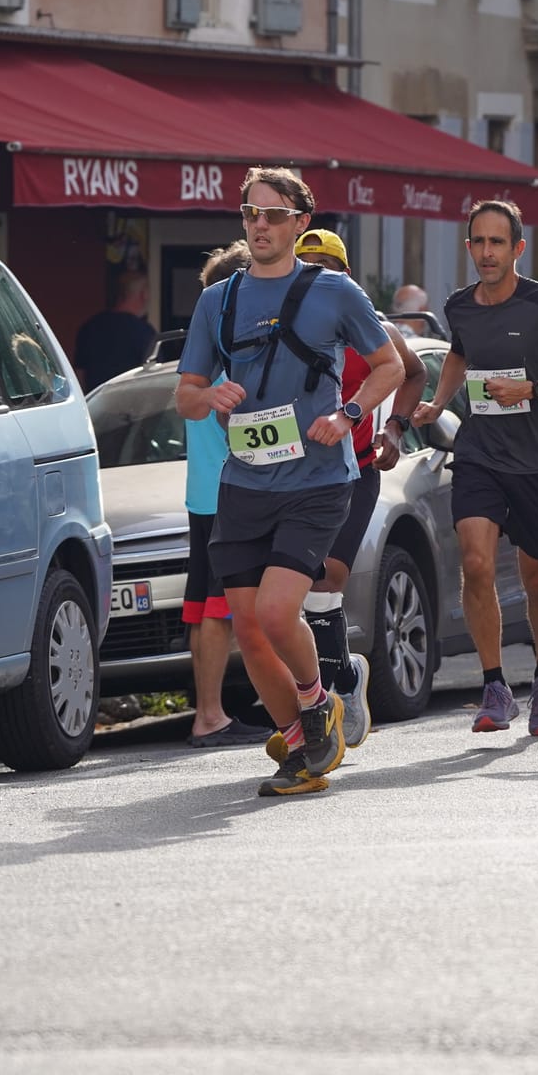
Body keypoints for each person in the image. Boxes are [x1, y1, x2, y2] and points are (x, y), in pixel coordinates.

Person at [175, 166, 405, 797]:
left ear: (302, 222)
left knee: (278, 613)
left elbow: (389, 365)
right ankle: (301, 741)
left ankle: (317, 704)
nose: (261, 225)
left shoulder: (334, 292)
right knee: (248, 628)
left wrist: (349, 413)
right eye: (251, 214)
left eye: (274, 215)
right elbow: (187, 395)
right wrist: (209, 394)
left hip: (317, 480)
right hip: (245, 484)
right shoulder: (217, 301)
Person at [409, 200, 538, 738]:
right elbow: (460, 355)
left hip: (535, 458)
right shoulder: (459, 306)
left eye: (497, 243)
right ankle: (493, 686)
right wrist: (440, 402)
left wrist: (529, 389)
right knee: (476, 562)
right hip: (480, 451)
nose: (487, 253)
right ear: (468, 248)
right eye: (478, 243)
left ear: (517, 248)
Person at [268, 227, 428, 758]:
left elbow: (414, 371)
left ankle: (333, 688)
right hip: (296, 474)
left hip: (356, 469)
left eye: (327, 267)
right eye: (307, 265)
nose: (317, 275)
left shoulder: (371, 328)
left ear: (346, 275)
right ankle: (341, 678)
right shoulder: (282, 325)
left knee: (329, 576)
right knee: (308, 588)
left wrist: (394, 429)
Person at [183, 244, 270, 748]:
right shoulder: (232, 353)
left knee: (204, 607)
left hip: (203, 494)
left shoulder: (200, 352)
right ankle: (211, 716)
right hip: (230, 494)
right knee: (219, 608)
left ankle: (208, 712)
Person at [74, 270, 157, 390]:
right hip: (132, 403)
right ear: (144, 294)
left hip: (95, 403)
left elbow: (79, 374)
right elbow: (153, 375)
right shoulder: (145, 332)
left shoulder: (90, 327)